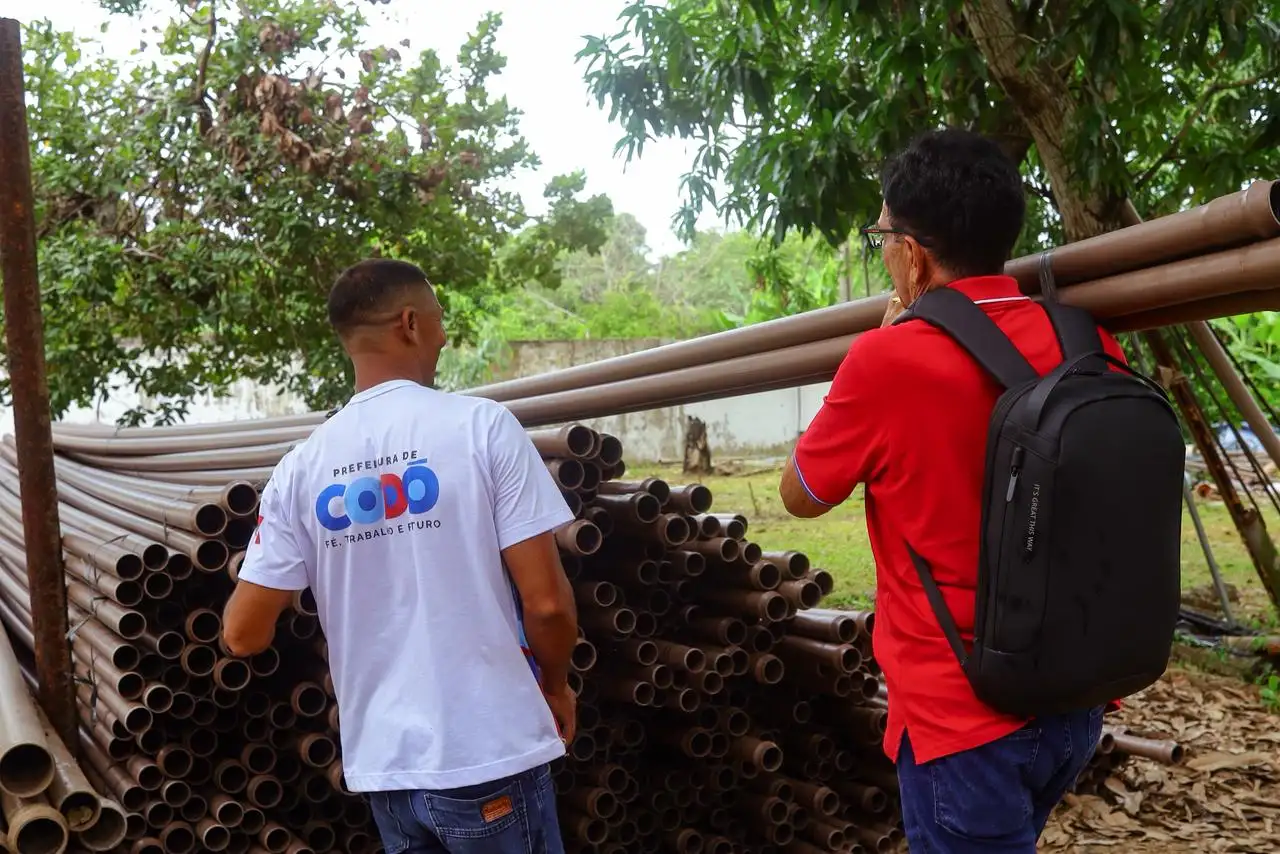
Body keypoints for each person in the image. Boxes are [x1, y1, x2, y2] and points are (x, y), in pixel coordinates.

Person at [778, 129, 1125, 852]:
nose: (883, 253)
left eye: (882, 237)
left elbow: (802, 494)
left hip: (960, 719)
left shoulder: (887, 360)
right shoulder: (1084, 339)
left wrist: (875, 349)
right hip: (1076, 700)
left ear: (913, 252)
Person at [222, 258, 578, 854]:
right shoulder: (481, 429)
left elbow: (241, 633)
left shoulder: (301, 469)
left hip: (386, 770)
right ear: (409, 323)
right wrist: (558, 684)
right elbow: (545, 603)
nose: (443, 336)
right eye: (440, 321)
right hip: (487, 753)